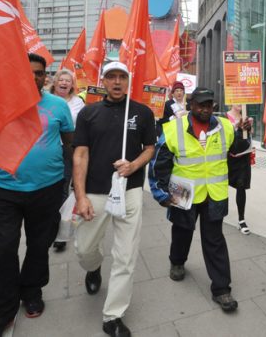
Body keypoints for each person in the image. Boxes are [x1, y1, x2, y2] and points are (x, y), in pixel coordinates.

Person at [0, 53, 74, 337]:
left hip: (47, 189)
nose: (34, 77)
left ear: (45, 76)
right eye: (28, 72)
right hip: (5, 190)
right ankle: (2, 311)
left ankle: (31, 291)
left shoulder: (58, 106)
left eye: (39, 73)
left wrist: (70, 182)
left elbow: (69, 143)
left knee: (40, 245)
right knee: (2, 249)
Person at [149, 87, 251, 313]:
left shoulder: (225, 126)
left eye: (209, 105)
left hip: (214, 193)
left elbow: (238, 153)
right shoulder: (173, 128)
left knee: (214, 240)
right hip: (182, 191)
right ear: (191, 104)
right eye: (200, 104)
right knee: (182, 232)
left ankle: (222, 289)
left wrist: (245, 133)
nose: (205, 109)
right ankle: (177, 261)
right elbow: (159, 164)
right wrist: (161, 193)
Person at [72, 61, 156, 337]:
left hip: (129, 191)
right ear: (103, 81)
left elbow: (150, 149)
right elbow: (80, 155)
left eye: (122, 77)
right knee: (84, 250)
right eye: (112, 77)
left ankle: (113, 316)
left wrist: (134, 165)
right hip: (95, 192)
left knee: (126, 255)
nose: (117, 82)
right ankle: (93, 268)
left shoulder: (142, 113)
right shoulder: (88, 113)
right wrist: (80, 196)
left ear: (128, 81)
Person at [50, 68, 86, 252]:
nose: (64, 83)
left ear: (72, 85)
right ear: (55, 82)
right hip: (46, 151)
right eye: (61, 79)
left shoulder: (78, 102)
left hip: (66, 150)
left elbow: (81, 127)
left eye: (68, 80)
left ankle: (60, 234)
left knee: (63, 188)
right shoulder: (44, 99)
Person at [225, 104, 255, 235]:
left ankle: (241, 219)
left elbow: (249, 137)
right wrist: (236, 126)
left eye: (242, 101)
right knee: (221, 185)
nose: (240, 104)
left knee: (241, 186)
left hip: (243, 157)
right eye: (237, 101)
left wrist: (249, 128)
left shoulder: (247, 118)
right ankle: (217, 212)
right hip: (228, 158)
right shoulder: (224, 117)